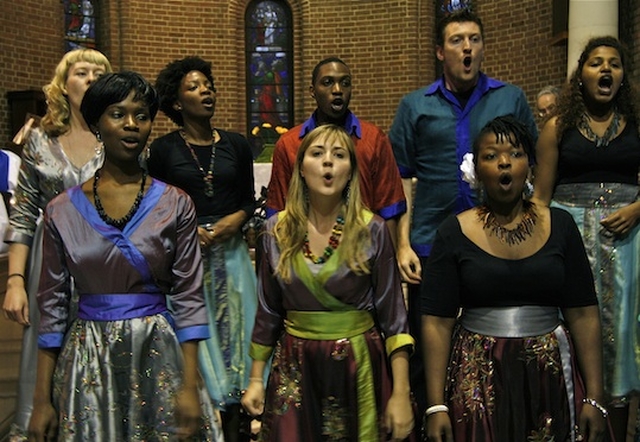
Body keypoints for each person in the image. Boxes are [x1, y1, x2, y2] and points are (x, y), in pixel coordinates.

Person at [28, 71, 222, 441]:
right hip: (90, 362)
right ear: (97, 122)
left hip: (159, 353)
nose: (131, 124)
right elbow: (51, 309)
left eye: (142, 115)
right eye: (118, 114)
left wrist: (189, 386)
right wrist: (41, 400)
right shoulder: (61, 212)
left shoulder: (175, 204)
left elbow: (189, 297)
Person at [388, 8, 537, 420]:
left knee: (493, 342)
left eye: (474, 39)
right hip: (430, 244)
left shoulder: (511, 98)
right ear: (440, 51)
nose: (467, 47)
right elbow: (399, 180)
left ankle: (492, 422)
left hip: (499, 242)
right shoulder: (414, 106)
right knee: (428, 346)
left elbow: (535, 165)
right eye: (457, 40)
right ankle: (434, 422)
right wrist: (401, 244)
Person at [422, 116, 607, 441]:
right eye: (491, 155)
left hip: (549, 381)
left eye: (515, 153)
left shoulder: (561, 226)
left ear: (530, 166)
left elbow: (584, 314)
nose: (504, 163)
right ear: (476, 170)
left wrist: (594, 396)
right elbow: (437, 322)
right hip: (478, 383)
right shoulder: (453, 232)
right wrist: (436, 405)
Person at [241, 124, 415, 441]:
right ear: (301, 169)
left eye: (339, 155)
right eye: (317, 153)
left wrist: (401, 392)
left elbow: (395, 318)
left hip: (358, 364)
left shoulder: (372, 230)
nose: (328, 162)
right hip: (296, 365)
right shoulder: (274, 231)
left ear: (351, 171)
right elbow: (267, 310)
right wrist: (256, 378)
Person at [533, 36, 640, 442]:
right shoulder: (556, 128)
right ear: (581, 75)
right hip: (572, 246)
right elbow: (541, 200)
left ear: (622, 77)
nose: (606, 70)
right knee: (571, 334)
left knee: (621, 343)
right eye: (596, 63)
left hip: (628, 249)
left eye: (614, 63)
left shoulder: (637, 124)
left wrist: (636, 209)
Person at [1, 48, 111, 440]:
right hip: (49, 262)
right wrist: (15, 280)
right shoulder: (39, 141)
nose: (93, 78)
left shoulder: (119, 135)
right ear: (64, 85)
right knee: (47, 346)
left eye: (101, 72)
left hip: (106, 261)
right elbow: (24, 212)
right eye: (83, 72)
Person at [147, 55, 257, 442]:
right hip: (187, 259)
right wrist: (187, 230)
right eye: (194, 87)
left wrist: (236, 220)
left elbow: (248, 199)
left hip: (231, 256)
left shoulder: (237, 145)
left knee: (238, 339)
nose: (205, 91)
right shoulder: (162, 151)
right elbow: (155, 206)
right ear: (176, 103)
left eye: (207, 84)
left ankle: (239, 423)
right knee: (200, 339)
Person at [266, 56, 406, 239]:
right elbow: (278, 212)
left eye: (345, 83)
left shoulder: (373, 139)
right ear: (312, 91)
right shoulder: (289, 144)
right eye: (327, 83)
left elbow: (389, 207)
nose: (338, 90)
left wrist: (390, 258)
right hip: (305, 248)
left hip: (362, 245)